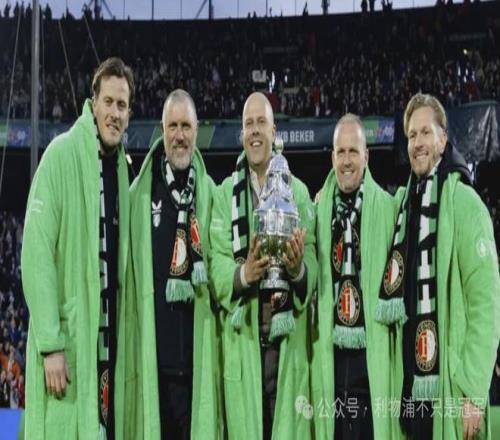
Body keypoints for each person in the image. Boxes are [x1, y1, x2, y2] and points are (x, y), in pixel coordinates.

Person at [21, 57, 136, 439]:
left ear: (129, 114)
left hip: (106, 355)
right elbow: (36, 252)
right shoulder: (60, 155)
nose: (114, 113)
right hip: (67, 351)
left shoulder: (121, 172)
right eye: (109, 102)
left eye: (122, 105)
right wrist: (50, 344)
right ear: (93, 102)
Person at [375, 93, 500, 439]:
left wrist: (473, 389)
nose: (417, 143)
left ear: (443, 139)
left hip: (450, 387)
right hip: (409, 389)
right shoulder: (403, 205)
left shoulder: (465, 204)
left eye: (425, 133)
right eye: (412, 135)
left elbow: (486, 304)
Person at [209, 92, 317, 439]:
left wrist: (298, 269)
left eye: (261, 123)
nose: (255, 131)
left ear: (274, 131)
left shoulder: (298, 192)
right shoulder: (224, 195)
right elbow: (216, 262)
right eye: (248, 124)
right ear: (242, 133)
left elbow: (312, 261)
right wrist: (245, 274)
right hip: (244, 345)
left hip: (286, 345)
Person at [128, 89, 220, 439]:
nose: (179, 135)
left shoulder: (211, 195)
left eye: (186, 126)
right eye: (173, 126)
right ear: (161, 130)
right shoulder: (140, 195)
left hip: (198, 370)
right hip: (154, 372)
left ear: (197, 131)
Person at [311, 113, 399, 439]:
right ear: (332, 158)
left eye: (353, 151)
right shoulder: (317, 212)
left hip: (372, 373)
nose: (347, 160)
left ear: (366, 156)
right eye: (341, 152)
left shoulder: (389, 209)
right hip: (330, 373)